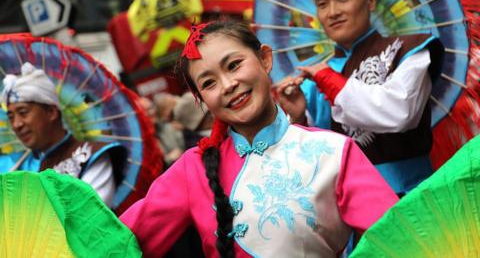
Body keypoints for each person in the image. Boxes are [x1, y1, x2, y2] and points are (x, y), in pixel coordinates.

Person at [120, 20, 398, 257]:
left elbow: (400, 237)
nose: (228, 85)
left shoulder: (332, 151)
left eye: (234, 65)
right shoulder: (192, 169)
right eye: (208, 83)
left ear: (265, 59)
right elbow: (118, 243)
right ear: (202, 100)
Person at [274, 0, 444, 196]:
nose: (333, 12)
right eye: (322, 4)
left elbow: (400, 113)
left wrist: (329, 80)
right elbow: (315, 160)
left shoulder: (410, 50)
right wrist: (299, 117)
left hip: (413, 198)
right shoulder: (313, 81)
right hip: (349, 207)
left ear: (370, 1)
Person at [1, 62, 126, 207]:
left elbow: (90, 218)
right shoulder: (11, 167)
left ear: (51, 112)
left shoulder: (92, 156)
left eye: (23, 112)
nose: (17, 124)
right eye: (11, 117)